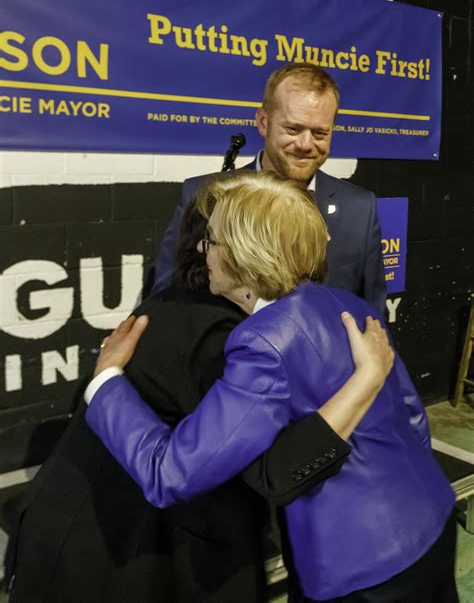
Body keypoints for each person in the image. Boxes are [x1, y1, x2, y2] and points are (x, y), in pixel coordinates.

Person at [87, 172, 457, 603]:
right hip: (433, 516)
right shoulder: (349, 304)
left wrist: (105, 381)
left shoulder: (263, 341)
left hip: (362, 567)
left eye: (213, 241)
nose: (203, 251)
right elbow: (413, 417)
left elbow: (170, 473)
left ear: (246, 255)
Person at [5, 197, 392, 603]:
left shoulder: (195, 306)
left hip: (106, 535)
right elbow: (264, 471)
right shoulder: (230, 336)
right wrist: (365, 382)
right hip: (122, 554)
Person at [153, 62, 386, 315]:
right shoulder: (202, 196)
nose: (306, 144)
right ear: (263, 122)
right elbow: (167, 301)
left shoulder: (360, 209)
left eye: (320, 133)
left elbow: (372, 314)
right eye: (293, 129)